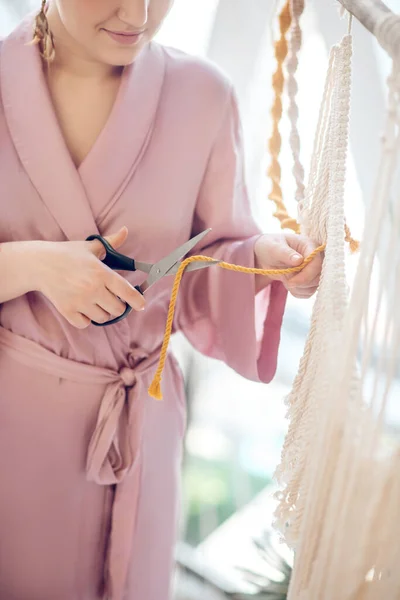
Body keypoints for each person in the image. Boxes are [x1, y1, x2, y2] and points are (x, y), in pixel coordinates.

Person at [0, 1, 323, 599]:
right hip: (13, 434)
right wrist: (32, 265)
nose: (140, 12)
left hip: (141, 425)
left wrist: (260, 265)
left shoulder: (204, 98)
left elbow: (199, 273)